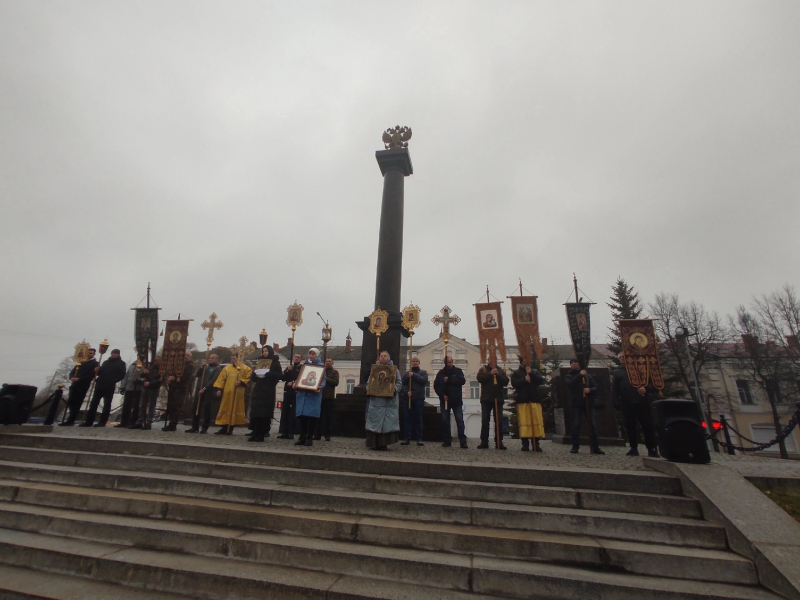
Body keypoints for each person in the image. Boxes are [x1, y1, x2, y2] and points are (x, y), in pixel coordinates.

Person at [611, 354, 659, 457]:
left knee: (647, 425)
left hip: (642, 401)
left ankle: (651, 448)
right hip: (626, 401)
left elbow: (653, 384)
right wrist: (616, 402)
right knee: (630, 425)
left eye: (624, 357)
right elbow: (615, 388)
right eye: (621, 358)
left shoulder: (641, 369)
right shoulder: (617, 372)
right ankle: (633, 448)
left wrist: (646, 389)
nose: (623, 359)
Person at [564, 358, 605, 455]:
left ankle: (595, 447)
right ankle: (575, 446)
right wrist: (579, 375)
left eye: (576, 362)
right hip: (576, 404)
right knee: (576, 425)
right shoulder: (568, 376)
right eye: (572, 363)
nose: (574, 364)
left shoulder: (588, 376)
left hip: (588, 403)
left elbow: (595, 387)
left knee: (592, 426)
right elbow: (570, 384)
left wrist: (590, 390)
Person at [365, 350, 402, 450]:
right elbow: (369, 383)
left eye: (385, 356)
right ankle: (374, 443)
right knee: (375, 422)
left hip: (388, 402)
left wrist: (393, 390)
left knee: (386, 423)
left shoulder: (394, 370)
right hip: (377, 401)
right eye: (381, 356)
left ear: (388, 358)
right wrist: (369, 390)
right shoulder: (375, 370)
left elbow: (399, 383)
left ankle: (383, 444)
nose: (383, 357)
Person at [81, 349, 126, 427]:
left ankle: (102, 421)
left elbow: (121, 375)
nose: (113, 354)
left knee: (107, 404)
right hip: (100, 384)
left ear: (118, 354)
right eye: (112, 353)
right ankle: (89, 421)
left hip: (109, 386)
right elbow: (100, 372)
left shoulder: (121, 363)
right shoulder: (106, 362)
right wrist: (97, 371)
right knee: (94, 403)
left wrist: (113, 381)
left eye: (115, 353)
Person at [510, 359, 546, 451]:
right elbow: (514, 383)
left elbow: (541, 381)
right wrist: (524, 379)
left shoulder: (535, 371)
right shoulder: (517, 373)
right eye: (524, 361)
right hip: (523, 400)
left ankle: (536, 443)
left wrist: (531, 374)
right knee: (524, 421)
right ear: (522, 362)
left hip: (534, 399)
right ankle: (525, 443)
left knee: (535, 421)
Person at [248, 346, 282, 442]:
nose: (264, 353)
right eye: (263, 351)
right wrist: (253, 375)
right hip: (258, 388)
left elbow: (280, 375)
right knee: (255, 411)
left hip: (268, 389)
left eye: (266, 351)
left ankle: (262, 433)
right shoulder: (260, 361)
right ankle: (255, 432)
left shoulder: (275, 362)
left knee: (264, 412)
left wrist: (271, 374)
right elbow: (255, 378)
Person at [213, 353, 252, 435]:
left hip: (237, 393)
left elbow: (248, 377)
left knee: (234, 409)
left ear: (239, 359)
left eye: (234, 358)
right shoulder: (227, 368)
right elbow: (221, 379)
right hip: (227, 393)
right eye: (231, 358)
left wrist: (241, 382)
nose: (232, 360)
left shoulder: (245, 368)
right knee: (225, 409)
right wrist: (219, 389)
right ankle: (224, 427)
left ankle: (230, 427)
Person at [433, 356, 467, 448]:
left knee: (459, 420)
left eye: (450, 362)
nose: (448, 364)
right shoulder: (441, 373)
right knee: (445, 420)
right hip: (445, 400)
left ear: (452, 362)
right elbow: (436, 386)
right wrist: (442, 395)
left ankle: (462, 441)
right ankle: (447, 440)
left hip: (456, 400)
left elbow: (462, 381)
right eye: (447, 363)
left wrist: (450, 380)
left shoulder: (458, 371)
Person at [294, 348, 326, 446]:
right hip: (303, 394)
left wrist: (320, 386)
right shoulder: (304, 366)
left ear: (317, 355)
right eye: (310, 353)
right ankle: (302, 437)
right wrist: (295, 383)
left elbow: (323, 379)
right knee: (302, 418)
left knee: (311, 418)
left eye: (313, 354)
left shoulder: (320, 366)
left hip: (312, 396)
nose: (311, 355)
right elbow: (300, 377)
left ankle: (309, 438)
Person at [59, 348, 98, 426]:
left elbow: (91, 375)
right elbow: (72, 372)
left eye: (91, 353)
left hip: (83, 385)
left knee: (78, 402)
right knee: (71, 401)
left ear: (94, 354)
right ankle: (70, 418)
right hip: (74, 384)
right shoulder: (81, 361)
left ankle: (71, 420)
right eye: (88, 353)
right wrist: (71, 377)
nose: (89, 354)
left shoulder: (95, 363)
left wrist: (80, 379)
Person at [477, 361, 509, 449]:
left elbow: (506, 381)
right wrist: (490, 374)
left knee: (499, 421)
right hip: (486, 399)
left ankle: (499, 441)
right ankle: (484, 441)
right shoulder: (483, 369)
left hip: (498, 398)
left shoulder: (500, 370)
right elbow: (480, 379)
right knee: (485, 420)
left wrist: (498, 375)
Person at [187, 354, 222, 434]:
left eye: (212, 358)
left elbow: (213, 380)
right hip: (199, 389)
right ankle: (194, 426)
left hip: (208, 391)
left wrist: (204, 388)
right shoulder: (206, 366)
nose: (210, 359)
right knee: (196, 408)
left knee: (206, 409)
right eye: (210, 358)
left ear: (216, 359)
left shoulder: (217, 368)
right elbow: (198, 374)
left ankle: (205, 427)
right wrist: (202, 367)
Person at [162, 351, 196, 431]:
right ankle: (170, 422)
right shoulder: (177, 364)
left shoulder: (190, 366)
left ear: (190, 357)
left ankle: (173, 424)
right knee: (170, 405)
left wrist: (176, 378)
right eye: (185, 355)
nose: (186, 356)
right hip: (173, 387)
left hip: (181, 388)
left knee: (176, 406)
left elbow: (186, 377)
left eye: (188, 355)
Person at [400, 356, 428, 446]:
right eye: (413, 361)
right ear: (411, 363)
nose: (415, 362)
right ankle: (407, 437)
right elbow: (401, 384)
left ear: (419, 363)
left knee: (418, 418)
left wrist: (414, 375)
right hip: (408, 398)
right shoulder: (406, 374)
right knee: (407, 419)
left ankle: (419, 438)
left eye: (416, 361)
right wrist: (406, 392)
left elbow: (423, 381)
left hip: (418, 398)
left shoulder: (423, 372)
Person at [130, 357, 163, 430]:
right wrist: (144, 373)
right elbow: (142, 375)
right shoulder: (150, 368)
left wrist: (150, 383)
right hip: (145, 388)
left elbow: (160, 381)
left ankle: (148, 422)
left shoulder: (162, 370)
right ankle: (140, 421)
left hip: (154, 389)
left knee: (151, 405)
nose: (154, 362)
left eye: (156, 360)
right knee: (142, 405)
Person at [278, 353, 302, 439]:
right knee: (285, 412)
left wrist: (294, 382)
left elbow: (302, 378)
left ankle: (291, 431)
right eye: (295, 357)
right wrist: (287, 371)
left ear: (300, 359)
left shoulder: (301, 368)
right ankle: (284, 431)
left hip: (295, 392)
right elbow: (283, 378)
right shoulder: (289, 367)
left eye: (298, 357)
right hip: (287, 392)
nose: (296, 359)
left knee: (293, 412)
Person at [314, 357, 339, 441]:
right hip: (320, 396)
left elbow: (335, 382)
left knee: (328, 417)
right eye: (326, 361)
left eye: (329, 361)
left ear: (332, 363)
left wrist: (325, 378)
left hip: (329, 397)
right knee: (318, 417)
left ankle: (327, 435)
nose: (328, 363)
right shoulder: (321, 371)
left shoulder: (335, 372)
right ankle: (317, 434)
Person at [115, 357, 143, 428]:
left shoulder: (146, 365)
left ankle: (133, 421)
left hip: (138, 389)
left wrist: (140, 380)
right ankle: (124, 421)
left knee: (136, 406)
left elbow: (147, 376)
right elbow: (126, 376)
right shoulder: (132, 365)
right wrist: (123, 386)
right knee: (126, 405)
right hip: (129, 388)